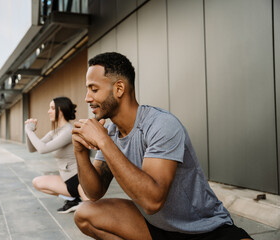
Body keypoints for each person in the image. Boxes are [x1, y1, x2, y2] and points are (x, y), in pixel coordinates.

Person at [71, 52, 252, 239]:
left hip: (204, 229)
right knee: (85, 214)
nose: (87, 98)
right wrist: (80, 152)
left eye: (93, 89)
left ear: (119, 89)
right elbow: (94, 192)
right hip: (154, 227)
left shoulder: (161, 124)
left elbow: (152, 201)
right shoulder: (111, 133)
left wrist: (103, 142)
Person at [25, 96, 87, 213]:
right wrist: (29, 132)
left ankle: (77, 197)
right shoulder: (55, 132)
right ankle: (74, 199)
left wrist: (29, 131)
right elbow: (32, 149)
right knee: (37, 183)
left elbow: (43, 149)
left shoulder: (69, 130)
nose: (49, 111)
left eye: (52, 108)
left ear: (61, 110)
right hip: (66, 179)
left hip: (76, 179)